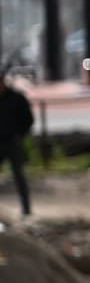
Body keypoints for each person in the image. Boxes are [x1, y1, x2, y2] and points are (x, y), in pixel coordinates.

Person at [0, 73, 33, 217]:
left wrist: (20, 135)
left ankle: (26, 210)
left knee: (18, 175)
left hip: (12, 142)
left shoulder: (16, 98)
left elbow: (28, 119)